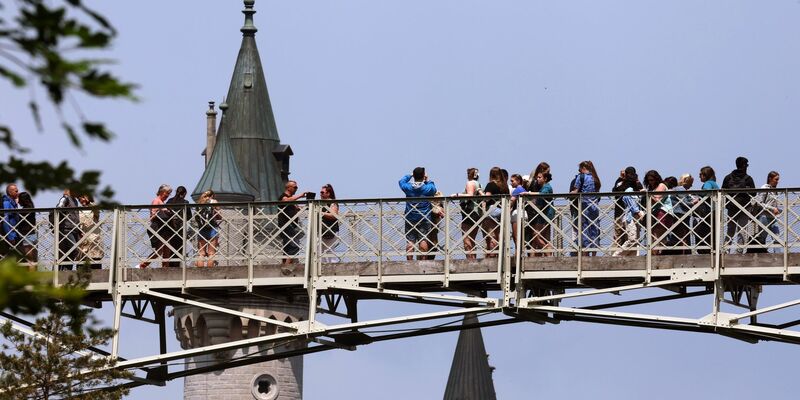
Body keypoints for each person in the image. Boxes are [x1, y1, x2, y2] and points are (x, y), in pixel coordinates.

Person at [399, 167, 437, 261]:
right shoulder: (427, 188)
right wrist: (427, 180)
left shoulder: (408, 188)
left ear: (414, 176)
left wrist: (410, 175)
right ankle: (423, 261)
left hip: (410, 217)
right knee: (423, 239)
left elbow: (401, 182)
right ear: (423, 176)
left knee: (410, 241)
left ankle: (409, 262)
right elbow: (434, 189)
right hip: (424, 217)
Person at [721, 157, 755, 253]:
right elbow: (754, 193)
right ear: (744, 165)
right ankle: (739, 251)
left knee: (730, 230)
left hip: (731, 208)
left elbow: (723, 191)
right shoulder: (748, 179)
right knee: (742, 230)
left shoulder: (728, 178)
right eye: (747, 165)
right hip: (744, 207)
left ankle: (725, 250)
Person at [138, 184, 172, 268]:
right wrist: (164, 212)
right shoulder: (156, 201)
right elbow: (152, 216)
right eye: (166, 193)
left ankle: (165, 269)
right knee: (159, 250)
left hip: (164, 228)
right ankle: (142, 265)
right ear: (161, 192)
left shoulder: (161, 202)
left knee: (167, 250)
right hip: (158, 227)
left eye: (169, 193)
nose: (167, 195)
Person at [571, 161, 601, 256]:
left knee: (584, 229)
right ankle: (594, 254)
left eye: (580, 169)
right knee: (594, 228)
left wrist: (569, 194)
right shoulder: (595, 178)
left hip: (584, 206)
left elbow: (575, 191)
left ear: (583, 168)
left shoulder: (581, 177)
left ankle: (585, 254)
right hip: (594, 206)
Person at [279, 181, 311, 264]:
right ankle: (287, 266)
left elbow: (294, 206)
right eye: (295, 187)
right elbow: (285, 201)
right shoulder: (283, 196)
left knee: (287, 247)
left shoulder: (291, 198)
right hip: (286, 225)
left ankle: (285, 265)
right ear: (288, 188)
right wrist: (300, 195)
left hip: (291, 225)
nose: (296, 189)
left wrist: (302, 207)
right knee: (294, 246)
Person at [643, 170, 673, 255]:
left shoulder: (661, 185)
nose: (650, 182)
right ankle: (658, 254)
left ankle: (654, 256)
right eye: (649, 180)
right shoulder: (652, 188)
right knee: (657, 236)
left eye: (652, 180)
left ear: (656, 179)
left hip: (663, 212)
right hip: (656, 213)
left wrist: (647, 193)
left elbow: (657, 199)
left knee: (656, 235)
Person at [612, 179, 645, 257]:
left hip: (636, 219)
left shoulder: (635, 191)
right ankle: (615, 256)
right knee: (632, 240)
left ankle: (632, 259)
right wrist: (638, 212)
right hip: (630, 218)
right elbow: (630, 202)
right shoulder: (629, 190)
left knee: (635, 241)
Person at [481, 167, 509, 257]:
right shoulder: (505, 186)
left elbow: (487, 197)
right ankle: (500, 255)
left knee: (491, 234)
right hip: (503, 210)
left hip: (492, 210)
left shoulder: (491, 185)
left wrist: (481, 194)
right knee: (499, 234)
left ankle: (493, 256)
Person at [752, 171, 782, 253]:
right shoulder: (765, 187)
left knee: (777, 237)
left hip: (773, 217)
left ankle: (778, 256)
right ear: (770, 179)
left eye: (778, 179)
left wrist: (777, 210)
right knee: (762, 238)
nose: (777, 181)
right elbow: (760, 203)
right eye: (776, 179)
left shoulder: (775, 190)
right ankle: (762, 254)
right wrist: (773, 209)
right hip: (764, 216)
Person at [457, 168, 482, 260]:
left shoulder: (470, 183)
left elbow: (470, 195)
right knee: (472, 238)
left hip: (469, 212)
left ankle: (470, 259)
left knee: (466, 238)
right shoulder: (478, 184)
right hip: (477, 212)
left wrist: (457, 195)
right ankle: (473, 258)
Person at [695, 166, 719, 254]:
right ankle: (712, 250)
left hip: (709, 211)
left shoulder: (708, 183)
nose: (699, 176)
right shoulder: (714, 183)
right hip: (715, 211)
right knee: (712, 232)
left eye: (700, 174)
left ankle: (705, 251)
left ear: (705, 175)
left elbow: (707, 192)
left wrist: (696, 194)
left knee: (699, 232)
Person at [529, 172, 555, 256]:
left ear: (545, 179)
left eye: (539, 177)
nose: (537, 179)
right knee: (540, 237)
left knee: (536, 235)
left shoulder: (547, 187)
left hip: (546, 214)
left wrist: (529, 194)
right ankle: (533, 257)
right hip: (542, 214)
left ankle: (548, 254)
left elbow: (542, 194)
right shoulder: (543, 187)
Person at [165, 186, 192, 268]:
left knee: (170, 248)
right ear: (184, 194)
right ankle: (177, 267)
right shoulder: (185, 202)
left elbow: (165, 213)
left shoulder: (169, 201)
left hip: (170, 227)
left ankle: (169, 267)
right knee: (179, 248)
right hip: (180, 228)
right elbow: (189, 216)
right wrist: (182, 219)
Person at [55, 189, 81, 270]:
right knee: (73, 249)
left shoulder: (75, 201)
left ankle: (66, 270)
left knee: (69, 252)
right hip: (67, 229)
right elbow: (59, 206)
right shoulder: (66, 198)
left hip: (74, 229)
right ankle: (63, 269)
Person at [195, 190, 221, 267]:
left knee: (201, 253)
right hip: (212, 228)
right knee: (211, 253)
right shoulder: (214, 201)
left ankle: (200, 272)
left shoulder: (200, 202)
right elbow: (218, 214)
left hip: (201, 228)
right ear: (212, 195)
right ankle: (209, 272)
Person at [78, 194, 103, 269]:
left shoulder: (93, 209)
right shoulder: (78, 210)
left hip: (93, 241)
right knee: (81, 266)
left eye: (83, 197)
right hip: (82, 242)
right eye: (79, 199)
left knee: (95, 265)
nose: (81, 200)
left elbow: (97, 209)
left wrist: (89, 202)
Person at [319, 184, 340, 263]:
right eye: (320, 192)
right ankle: (321, 268)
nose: (320, 194)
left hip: (330, 230)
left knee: (329, 251)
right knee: (319, 251)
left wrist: (321, 213)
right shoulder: (320, 203)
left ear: (328, 193)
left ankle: (332, 266)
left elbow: (334, 215)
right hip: (321, 230)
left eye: (322, 192)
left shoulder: (332, 203)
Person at [15, 192, 37, 266]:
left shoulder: (25, 210)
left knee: (29, 261)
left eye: (19, 199)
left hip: (27, 235)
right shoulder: (31, 207)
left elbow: (19, 217)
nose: (18, 201)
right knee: (31, 259)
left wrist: (15, 205)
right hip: (32, 234)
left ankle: (31, 276)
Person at [1, 184, 20, 253]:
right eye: (16, 191)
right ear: (10, 192)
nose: (18, 193)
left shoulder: (13, 203)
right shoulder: (6, 203)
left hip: (15, 233)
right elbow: (5, 220)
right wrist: (10, 236)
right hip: (10, 235)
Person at [509, 174, 526, 247]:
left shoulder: (517, 190)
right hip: (524, 213)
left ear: (518, 181)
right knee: (521, 236)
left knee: (516, 236)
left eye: (512, 181)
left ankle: (517, 254)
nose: (511, 183)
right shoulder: (523, 189)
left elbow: (511, 202)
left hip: (517, 214)